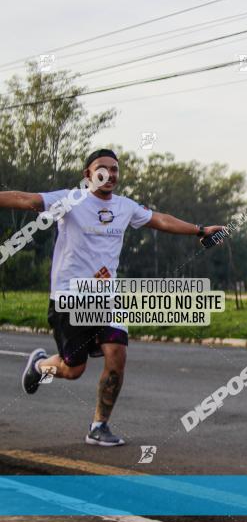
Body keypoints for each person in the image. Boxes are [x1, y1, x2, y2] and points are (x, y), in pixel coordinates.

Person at [0, 149, 224, 446]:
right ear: (88, 175)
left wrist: (200, 230)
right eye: (102, 168)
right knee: (73, 369)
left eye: (115, 169)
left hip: (107, 297)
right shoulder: (71, 199)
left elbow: (161, 220)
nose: (110, 174)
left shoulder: (125, 206)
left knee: (117, 355)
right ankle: (41, 366)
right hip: (71, 296)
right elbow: (27, 200)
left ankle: (99, 426)